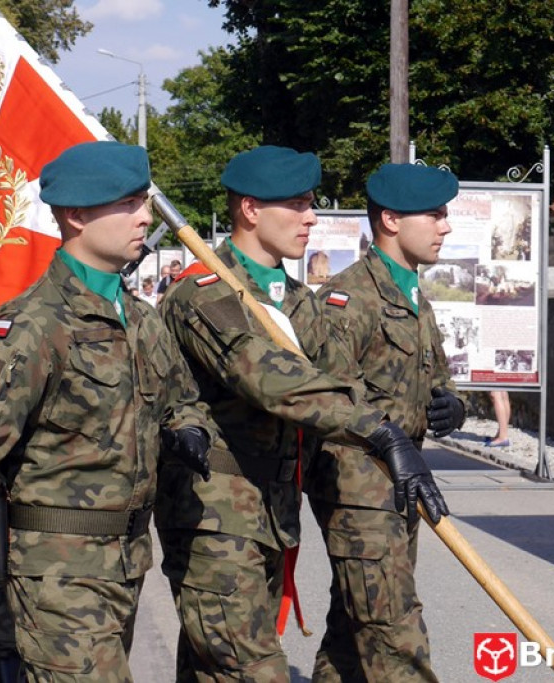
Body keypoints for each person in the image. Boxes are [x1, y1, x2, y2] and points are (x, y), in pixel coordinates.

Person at [0, 140, 214, 682]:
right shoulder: (22, 327)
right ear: (76, 215)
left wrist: (188, 428)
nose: (146, 217)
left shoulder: (142, 319)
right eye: (130, 203)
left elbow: (181, 399)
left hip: (126, 563)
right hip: (57, 576)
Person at [155, 145, 449, 682]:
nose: (312, 217)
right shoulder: (204, 292)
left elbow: (345, 383)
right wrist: (381, 432)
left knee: (213, 668)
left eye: (310, 203)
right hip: (215, 514)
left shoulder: (295, 300)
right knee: (252, 669)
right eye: (297, 204)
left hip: (272, 513)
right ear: (250, 210)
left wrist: (408, 422)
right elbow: (271, 380)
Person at [311, 162, 466, 681]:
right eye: (436, 215)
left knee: (352, 634)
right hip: (359, 489)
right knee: (395, 634)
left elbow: (432, 375)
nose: (446, 226)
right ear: (393, 220)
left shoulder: (414, 295)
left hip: (401, 485)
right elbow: (328, 398)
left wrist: (450, 403)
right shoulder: (348, 298)